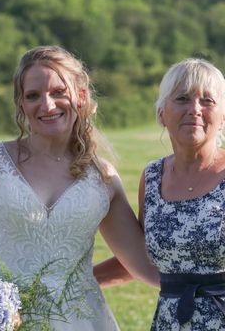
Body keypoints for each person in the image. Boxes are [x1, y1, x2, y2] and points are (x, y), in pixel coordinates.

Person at [0, 45, 159, 330]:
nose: (47, 105)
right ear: (21, 104)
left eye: (59, 92)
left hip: (82, 322)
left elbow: (143, 263)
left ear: (81, 97)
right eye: (33, 96)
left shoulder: (103, 177)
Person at [95, 58, 225, 330]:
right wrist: (78, 280)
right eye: (182, 98)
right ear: (162, 113)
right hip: (170, 323)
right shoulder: (153, 177)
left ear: (223, 116)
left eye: (208, 101)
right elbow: (140, 258)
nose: (195, 110)